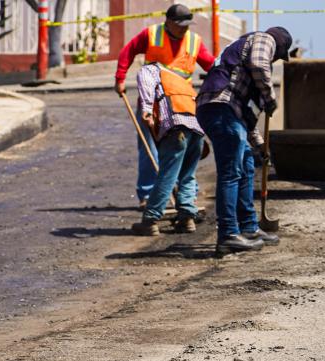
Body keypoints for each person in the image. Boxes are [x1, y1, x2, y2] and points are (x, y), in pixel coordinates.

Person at [196, 27, 292, 255]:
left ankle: (248, 228)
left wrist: (260, 145)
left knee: (248, 163)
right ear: (278, 45)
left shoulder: (243, 67)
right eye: (278, 56)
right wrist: (270, 98)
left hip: (227, 111)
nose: (275, 59)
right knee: (231, 171)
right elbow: (260, 64)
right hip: (221, 107)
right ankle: (228, 234)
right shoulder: (263, 39)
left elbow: (247, 118)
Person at [114, 3, 215, 210]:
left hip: (181, 104)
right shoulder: (151, 34)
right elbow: (128, 51)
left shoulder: (194, 41)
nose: (184, 29)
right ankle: (149, 195)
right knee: (149, 147)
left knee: (184, 149)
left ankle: (186, 196)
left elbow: (210, 65)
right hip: (154, 104)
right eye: (180, 25)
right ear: (168, 21)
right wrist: (120, 78)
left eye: (187, 25)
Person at [130, 62, 203, 236]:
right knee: (187, 175)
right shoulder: (177, 78)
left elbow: (146, 88)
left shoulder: (149, 70)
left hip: (176, 128)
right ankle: (187, 218)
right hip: (197, 128)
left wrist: (147, 110)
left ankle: (150, 220)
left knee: (167, 175)